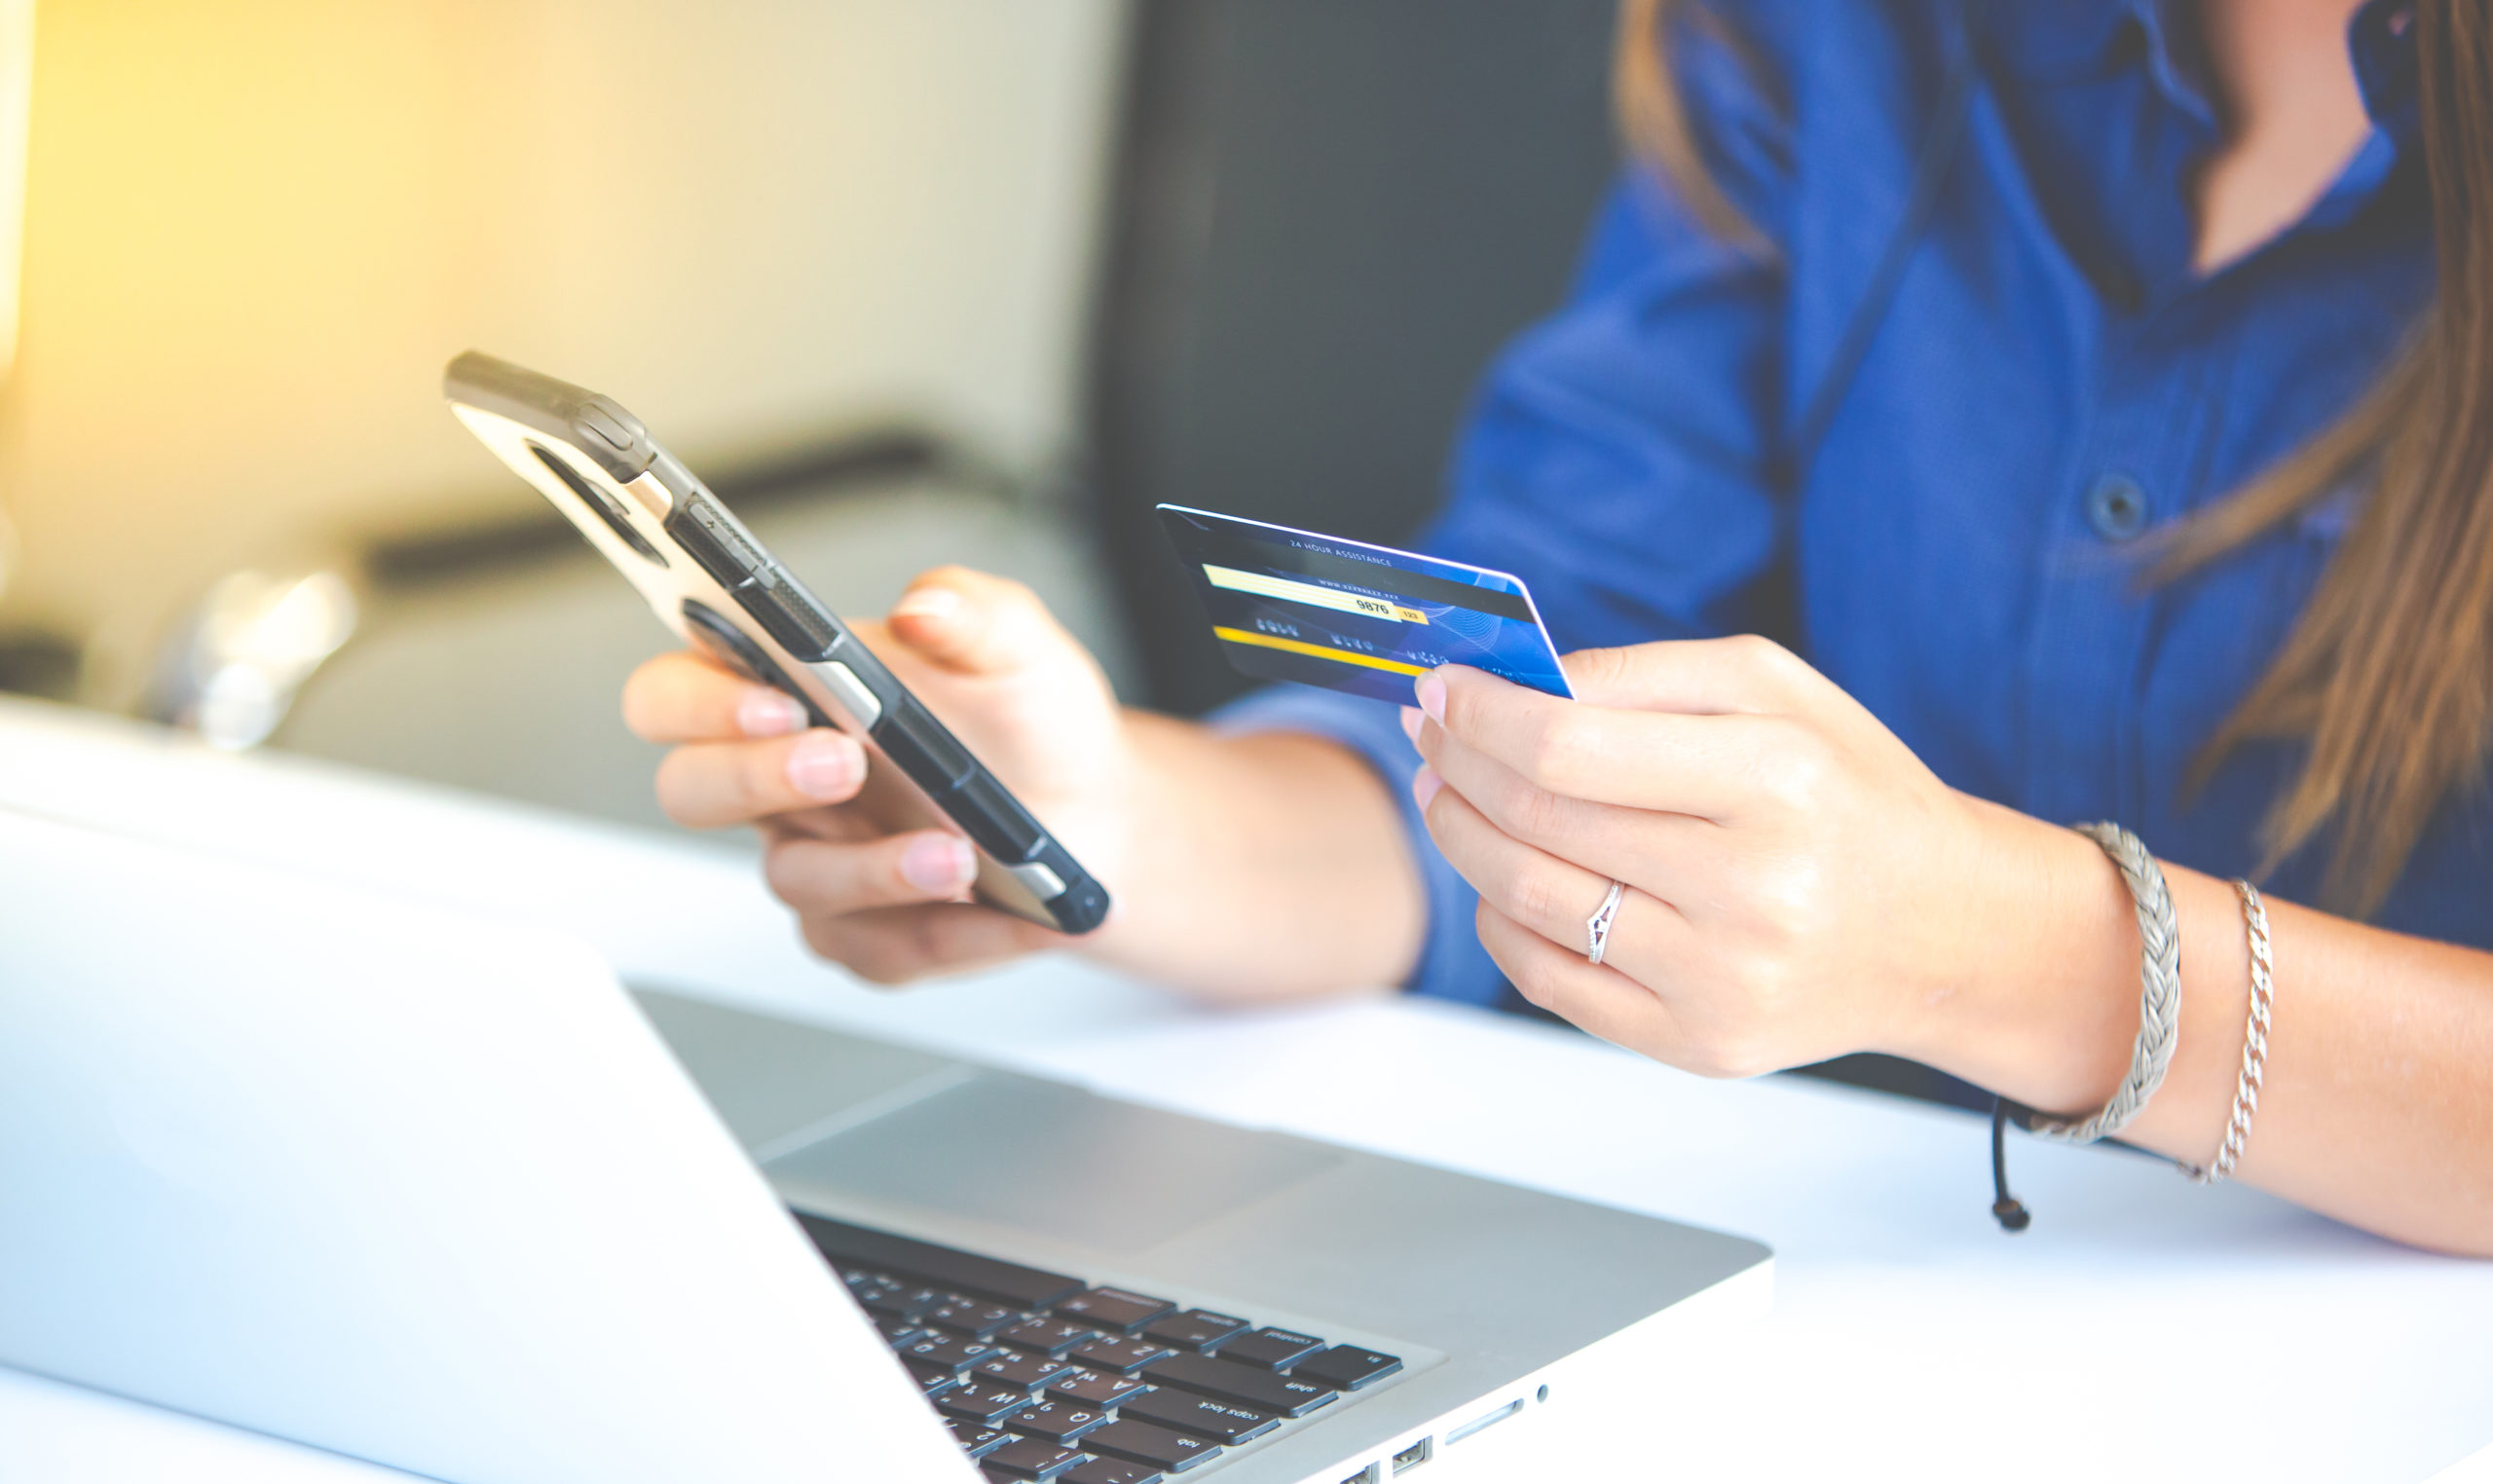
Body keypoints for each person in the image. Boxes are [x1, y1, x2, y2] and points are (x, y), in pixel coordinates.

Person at [621, 0, 2492, 1256]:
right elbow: (1534, 677)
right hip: (1874, 1310)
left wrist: (2017, 959)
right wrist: (1103, 825)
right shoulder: (1840, 40)